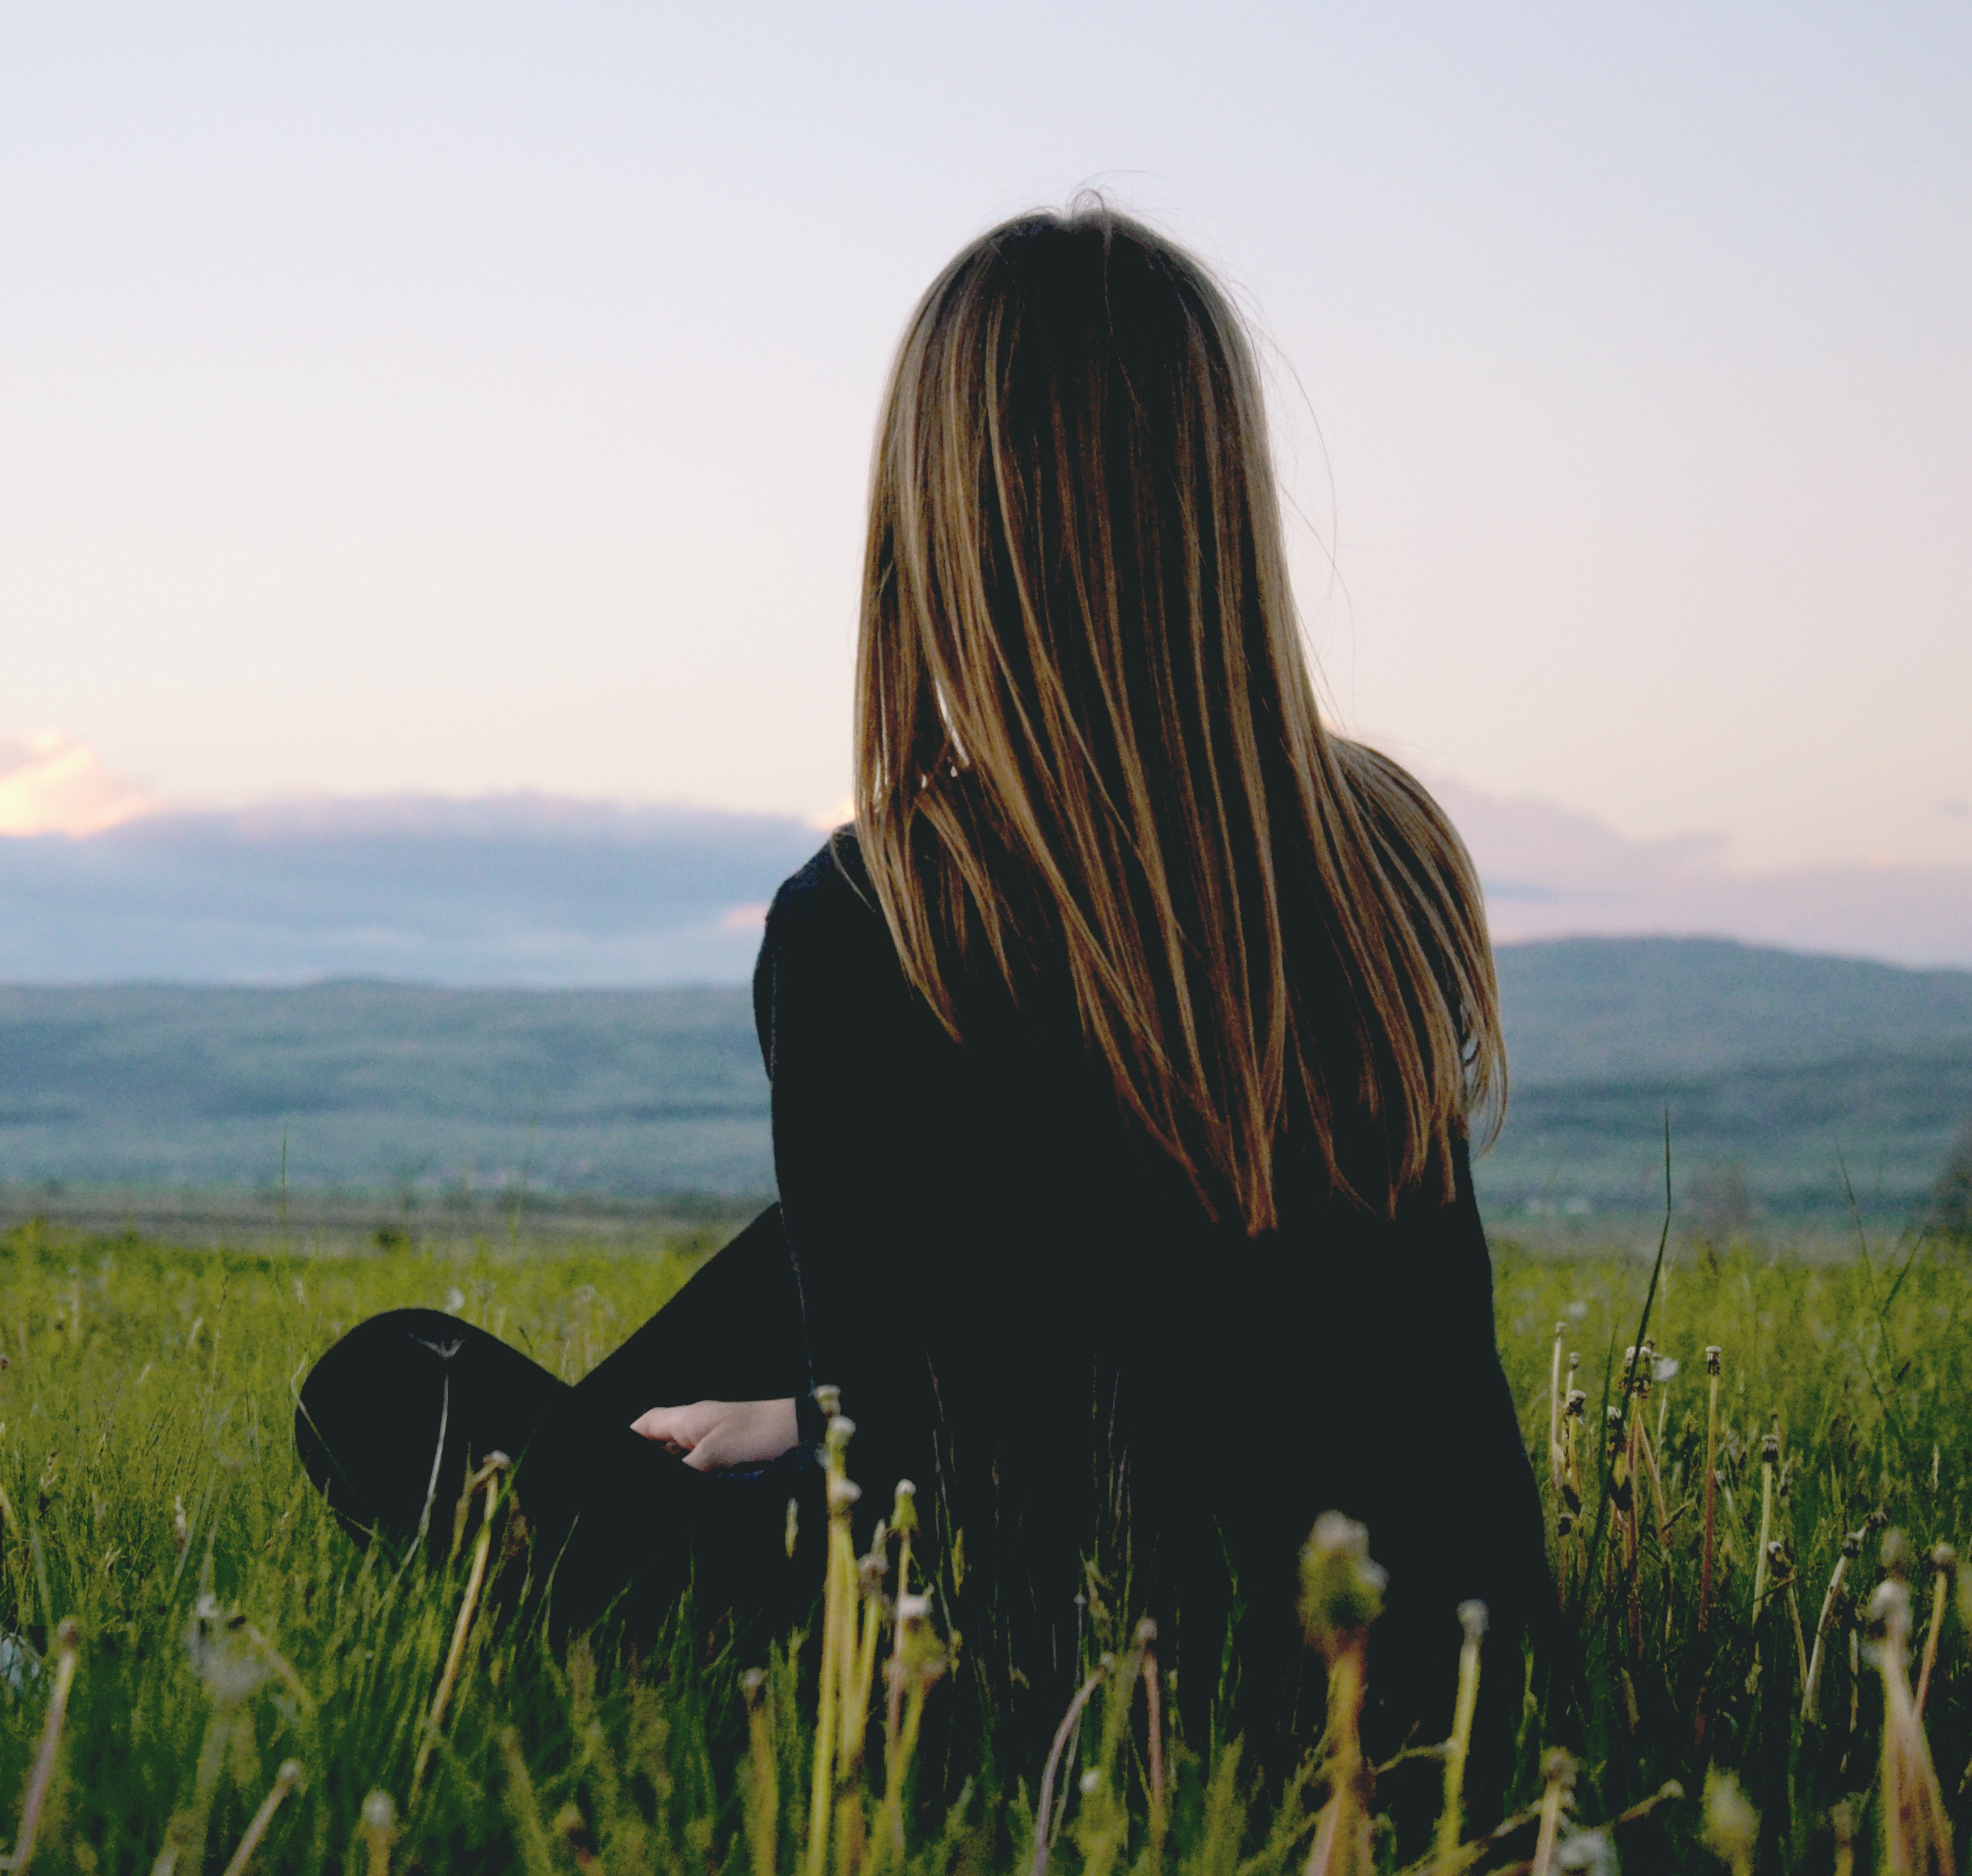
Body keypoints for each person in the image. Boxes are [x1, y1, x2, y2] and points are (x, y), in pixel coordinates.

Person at [294, 200, 1548, 1780]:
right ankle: (696, 1439)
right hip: (1430, 1648)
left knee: (383, 1390)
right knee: (798, 1255)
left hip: (1042, 1685)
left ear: (943, 521)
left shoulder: (885, 914)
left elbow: (931, 1495)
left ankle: (595, 1511)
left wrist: (812, 1433)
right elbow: (1259, 1326)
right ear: (1220, 499)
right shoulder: (1388, 847)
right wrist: (807, 1408)